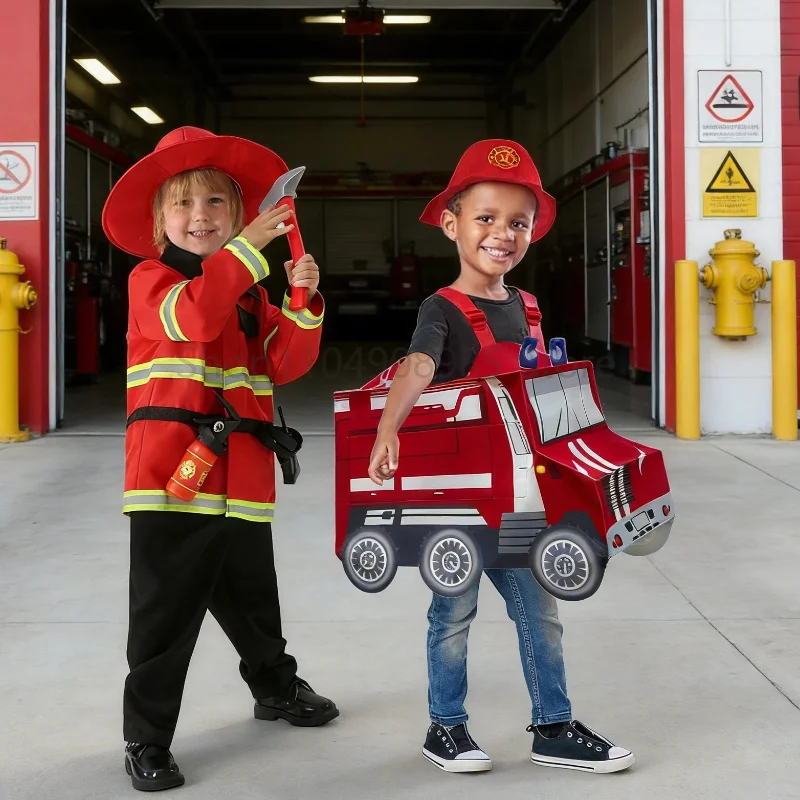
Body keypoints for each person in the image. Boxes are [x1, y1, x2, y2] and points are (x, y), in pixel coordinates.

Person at [366, 140, 634, 775]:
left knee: (541, 615)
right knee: (452, 614)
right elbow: (419, 366)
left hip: (520, 495)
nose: (502, 234)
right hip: (455, 498)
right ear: (451, 222)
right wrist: (387, 428)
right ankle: (446, 728)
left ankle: (554, 727)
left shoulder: (529, 309)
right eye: (486, 217)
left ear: (532, 233)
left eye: (518, 222)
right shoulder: (441, 308)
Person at [102, 126, 337, 792]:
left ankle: (275, 688)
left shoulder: (247, 297)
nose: (200, 216)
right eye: (184, 205)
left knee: (253, 602)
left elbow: (286, 364)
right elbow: (195, 320)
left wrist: (300, 299)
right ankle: (146, 739)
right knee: (164, 616)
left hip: (242, 479)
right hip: (172, 481)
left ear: (236, 213)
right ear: (159, 223)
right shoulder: (154, 282)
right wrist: (248, 248)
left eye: (215, 203)